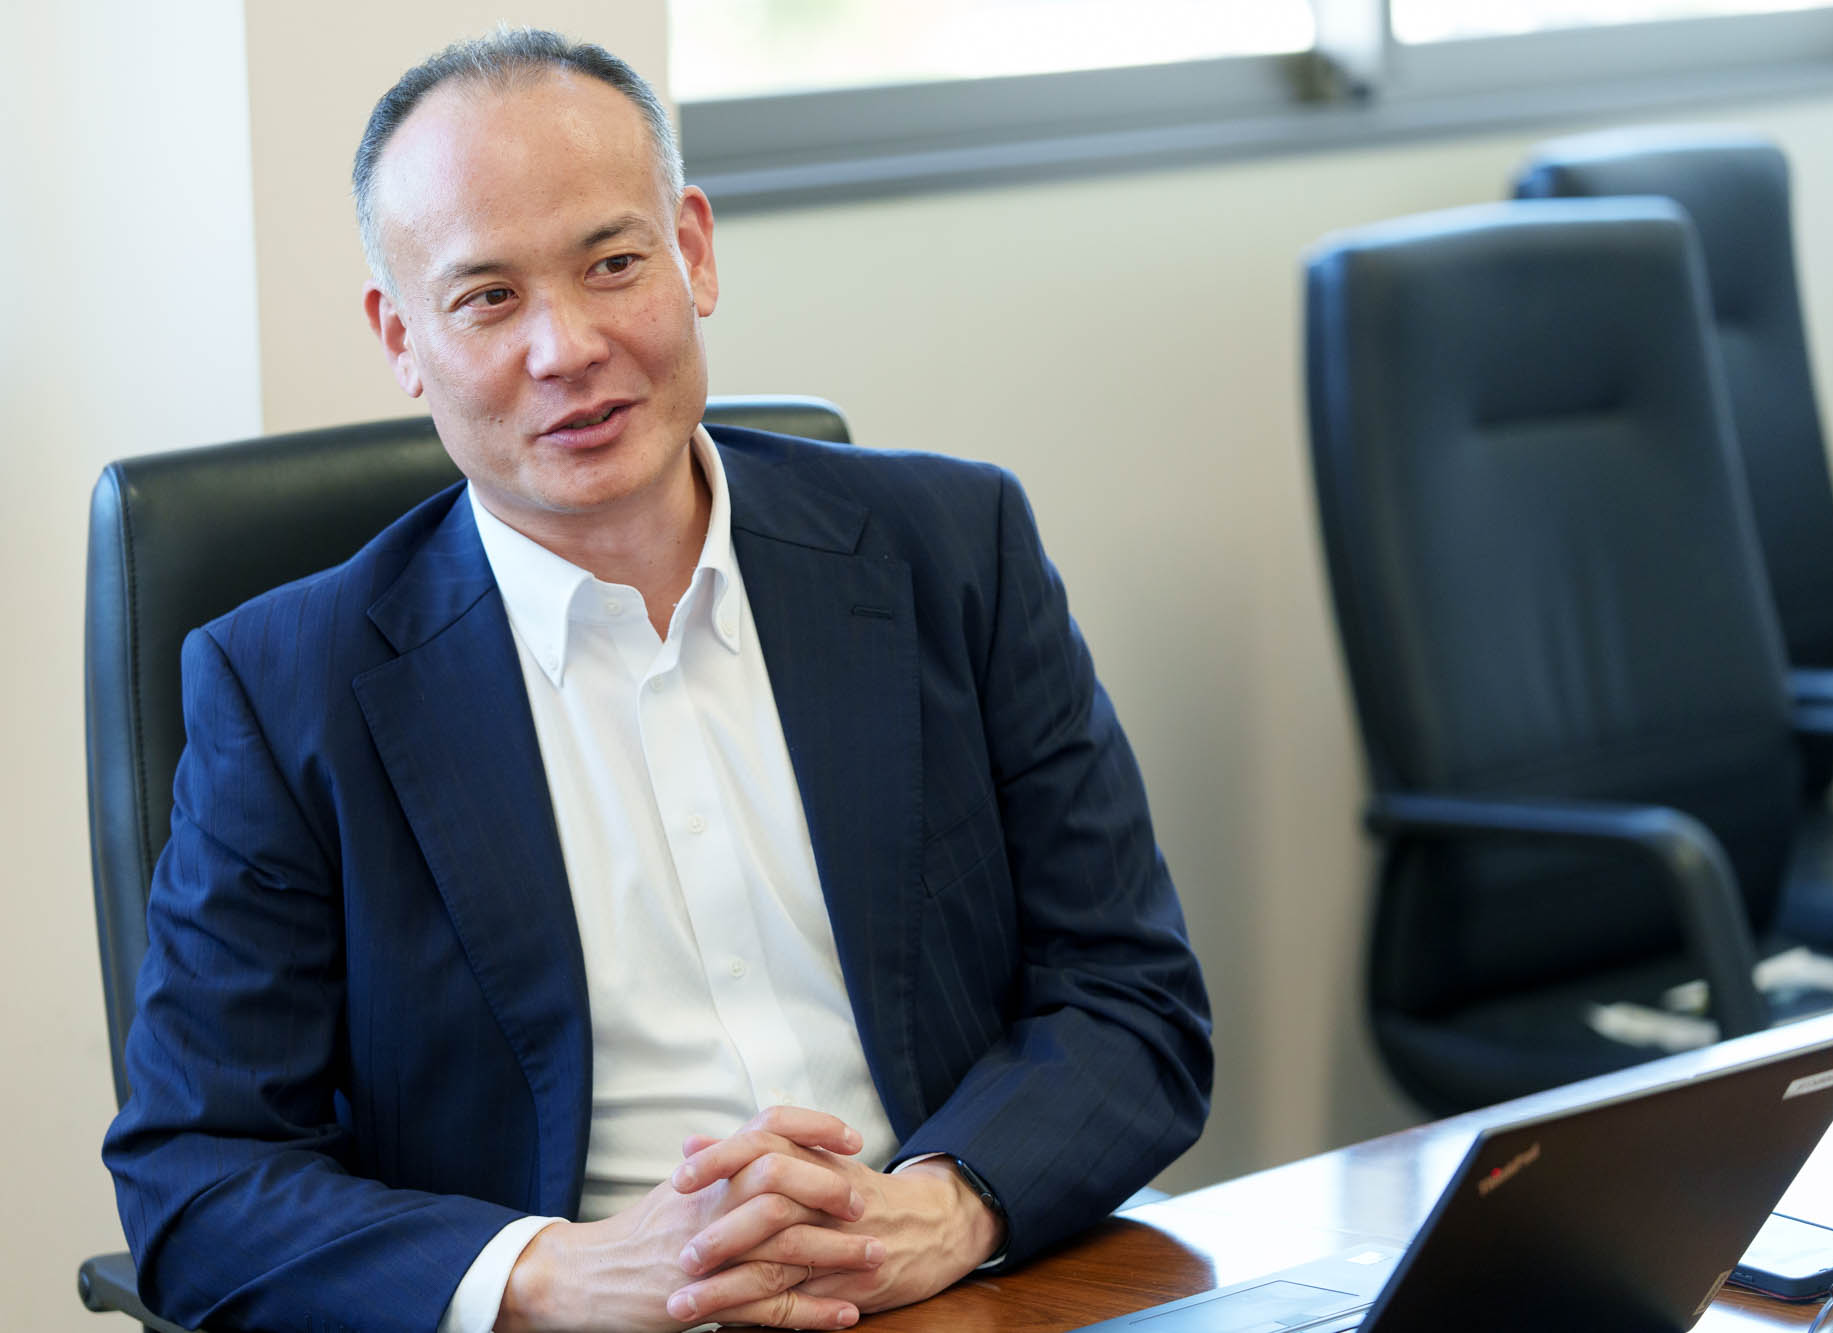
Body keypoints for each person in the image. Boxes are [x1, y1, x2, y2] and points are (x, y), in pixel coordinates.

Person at [103, 27, 1210, 1333]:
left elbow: (1133, 999)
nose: (566, 348)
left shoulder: (954, 550)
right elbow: (198, 1179)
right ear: (401, 337)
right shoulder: (286, 684)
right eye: (487, 298)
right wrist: (552, 1274)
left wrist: (948, 1203)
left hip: (953, 1291)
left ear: (693, 251)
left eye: (612, 264)